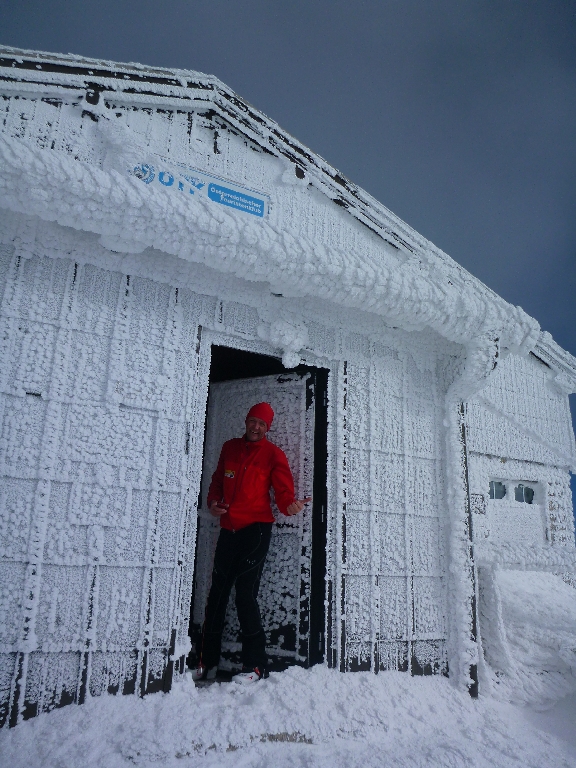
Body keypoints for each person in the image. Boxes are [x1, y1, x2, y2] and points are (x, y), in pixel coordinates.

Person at [193, 402, 311, 684]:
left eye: (262, 424)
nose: (256, 427)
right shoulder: (230, 448)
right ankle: (207, 662)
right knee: (217, 595)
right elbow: (218, 481)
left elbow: (283, 492)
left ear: (267, 428)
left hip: (256, 531)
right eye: (253, 421)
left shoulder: (273, 454)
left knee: (245, 595)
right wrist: (213, 502)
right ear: (246, 422)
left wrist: (290, 506)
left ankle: (255, 666)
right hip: (228, 530)